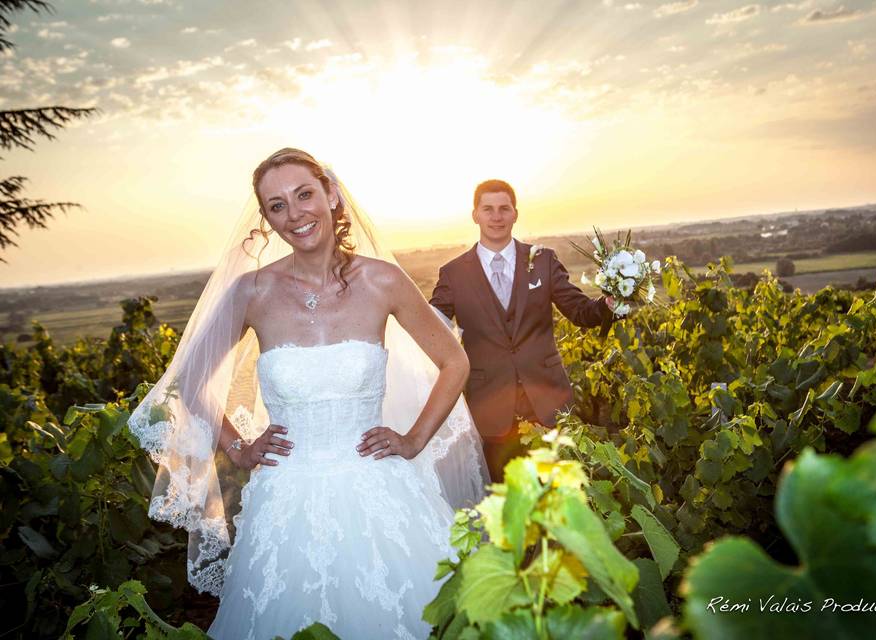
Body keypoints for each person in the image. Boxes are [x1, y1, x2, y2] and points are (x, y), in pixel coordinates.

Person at [128, 148, 488, 640]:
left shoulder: (383, 280)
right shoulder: (251, 292)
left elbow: (455, 362)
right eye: (277, 206)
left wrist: (413, 440)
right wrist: (239, 446)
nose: (295, 214)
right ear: (267, 219)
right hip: (286, 498)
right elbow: (189, 381)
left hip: (380, 491)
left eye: (304, 195)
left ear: (331, 196)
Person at [430, 180, 613, 482]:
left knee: (556, 504)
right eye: (488, 209)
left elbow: (580, 312)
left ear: (515, 214)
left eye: (504, 209)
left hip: (548, 406)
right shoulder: (453, 273)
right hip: (490, 411)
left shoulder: (543, 260)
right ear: (475, 215)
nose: (497, 216)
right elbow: (432, 327)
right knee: (507, 507)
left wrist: (608, 304)